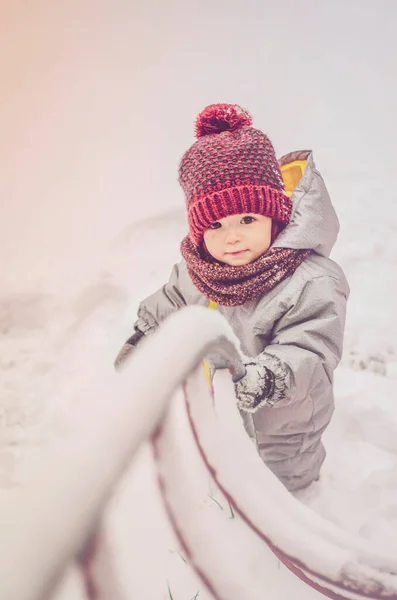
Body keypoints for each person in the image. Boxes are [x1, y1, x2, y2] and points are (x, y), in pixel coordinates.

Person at [115, 103, 349, 492]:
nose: (232, 237)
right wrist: (144, 336)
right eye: (216, 225)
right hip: (221, 399)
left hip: (285, 414)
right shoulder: (204, 268)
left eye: (247, 219)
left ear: (275, 215)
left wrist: (268, 377)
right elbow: (173, 299)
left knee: (284, 469)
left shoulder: (312, 281)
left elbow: (312, 349)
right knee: (225, 455)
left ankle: (299, 500)